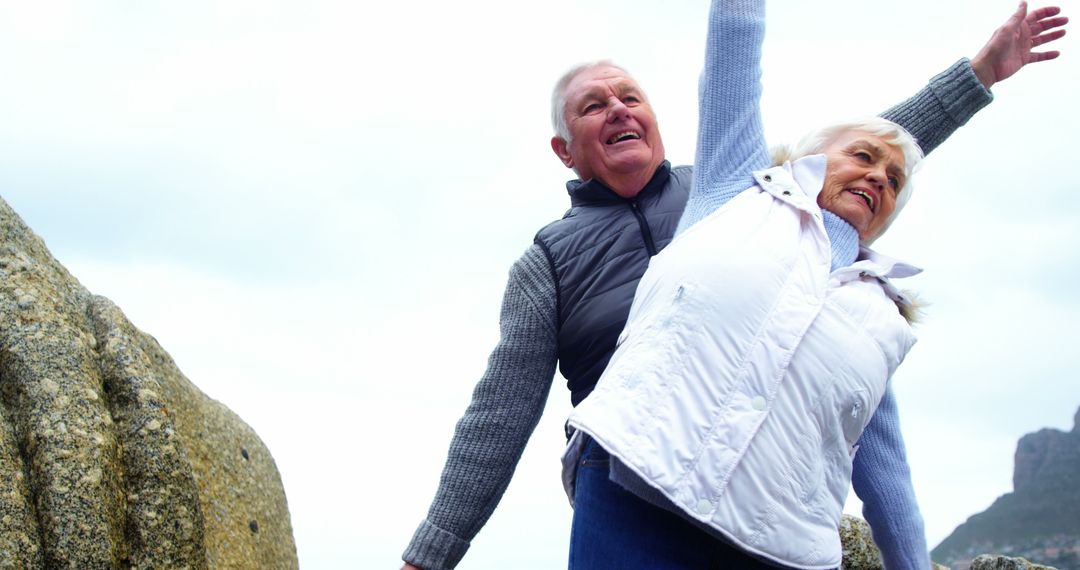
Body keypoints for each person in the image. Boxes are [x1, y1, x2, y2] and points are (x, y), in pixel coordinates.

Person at [400, 3, 1067, 568]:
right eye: (593, 106)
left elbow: (867, 157)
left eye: (630, 97)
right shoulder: (548, 260)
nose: (618, 110)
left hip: (769, 507)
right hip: (635, 485)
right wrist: (434, 549)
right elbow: (500, 413)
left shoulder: (744, 193)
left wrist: (978, 75)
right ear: (564, 149)